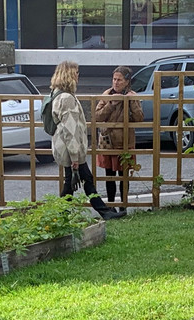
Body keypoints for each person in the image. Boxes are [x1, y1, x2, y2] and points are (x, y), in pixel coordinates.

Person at [49, 60, 127, 221]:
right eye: (76, 73)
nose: (78, 76)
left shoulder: (57, 94)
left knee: (81, 181)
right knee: (73, 182)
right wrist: (75, 157)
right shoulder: (66, 98)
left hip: (66, 147)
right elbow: (70, 130)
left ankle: (101, 212)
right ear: (69, 75)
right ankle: (61, 215)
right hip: (70, 149)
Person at [93, 66, 143, 211]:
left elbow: (139, 118)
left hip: (124, 143)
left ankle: (123, 205)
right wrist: (111, 104)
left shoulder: (132, 95)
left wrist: (131, 102)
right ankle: (111, 204)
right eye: (114, 79)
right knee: (109, 176)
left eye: (119, 80)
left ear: (127, 81)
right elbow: (97, 116)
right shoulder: (107, 94)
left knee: (123, 176)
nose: (116, 82)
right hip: (108, 143)